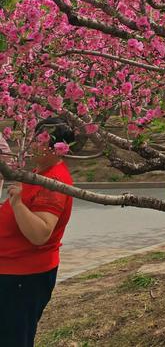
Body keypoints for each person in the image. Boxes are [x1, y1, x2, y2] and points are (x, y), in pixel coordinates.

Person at [0, 117, 75, 347]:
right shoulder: (38, 172)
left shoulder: (54, 182)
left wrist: (17, 204)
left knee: (14, 338)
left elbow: (40, 233)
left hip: (24, 277)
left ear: (59, 149)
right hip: (11, 270)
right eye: (36, 138)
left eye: (43, 141)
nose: (35, 145)